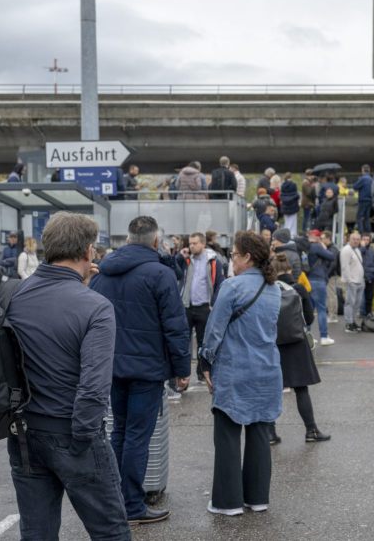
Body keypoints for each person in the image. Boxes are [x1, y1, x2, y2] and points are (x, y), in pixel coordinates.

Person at [6, 212, 131, 540]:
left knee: (37, 532)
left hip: (24, 431)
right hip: (72, 432)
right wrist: (83, 438)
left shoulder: (15, 294)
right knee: (110, 532)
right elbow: (93, 387)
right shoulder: (96, 307)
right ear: (88, 251)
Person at [90, 216, 191, 524]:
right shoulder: (160, 274)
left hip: (113, 366)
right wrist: (182, 369)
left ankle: (116, 501)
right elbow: (175, 326)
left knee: (119, 431)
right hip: (147, 369)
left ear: (128, 239)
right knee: (137, 436)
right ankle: (133, 505)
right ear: (156, 241)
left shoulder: (103, 273)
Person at [199, 231, 283, 517]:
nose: (232, 260)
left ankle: (228, 502)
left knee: (227, 435)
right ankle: (257, 498)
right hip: (267, 369)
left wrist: (205, 363)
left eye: (234, 255)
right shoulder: (274, 288)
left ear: (247, 257)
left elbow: (214, 331)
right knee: (259, 434)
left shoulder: (232, 287)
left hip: (234, 369)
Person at [268, 254, 330, 445]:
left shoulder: (267, 290)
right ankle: (311, 430)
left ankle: (270, 434)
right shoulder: (299, 289)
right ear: (289, 269)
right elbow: (309, 318)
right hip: (297, 343)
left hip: (273, 344)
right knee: (301, 389)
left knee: (272, 389)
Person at [179, 232, 226, 384]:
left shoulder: (213, 260)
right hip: (187, 306)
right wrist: (179, 256)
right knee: (183, 341)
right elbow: (176, 273)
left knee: (203, 342)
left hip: (205, 307)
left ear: (203, 244)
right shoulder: (186, 259)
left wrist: (214, 304)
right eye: (190, 243)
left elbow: (219, 283)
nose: (191, 246)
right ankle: (183, 374)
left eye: (195, 243)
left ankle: (201, 373)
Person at [307, 230, 337, 345]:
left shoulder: (305, 247)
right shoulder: (316, 246)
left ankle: (308, 336)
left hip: (308, 280)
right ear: (317, 237)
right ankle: (324, 337)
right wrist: (323, 246)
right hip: (318, 280)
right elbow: (331, 256)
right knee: (321, 309)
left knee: (309, 309)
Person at [339, 232, 365, 333]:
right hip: (352, 281)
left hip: (360, 281)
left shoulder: (357, 250)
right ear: (349, 239)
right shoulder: (346, 250)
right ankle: (348, 324)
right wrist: (349, 280)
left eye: (358, 239)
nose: (356, 241)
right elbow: (344, 267)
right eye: (354, 239)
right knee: (350, 303)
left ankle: (353, 321)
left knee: (357, 303)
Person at [360, 233, 374, 319]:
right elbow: (361, 253)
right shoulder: (359, 249)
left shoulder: (372, 250)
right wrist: (363, 247)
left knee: (370, 296)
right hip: (362, 276)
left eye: (367, 239)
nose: (366, 241)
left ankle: (369, 312)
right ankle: (362, 312)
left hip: (371, 276)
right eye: (364, 239)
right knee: (361, 297)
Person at [352, 165, 374, 234]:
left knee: (359, 217)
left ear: (362, 170)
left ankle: (361, 232)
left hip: (363, 200)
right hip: (370, 200)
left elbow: (355, 187)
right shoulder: (371, 179)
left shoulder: (362, 178)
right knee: (367, 217)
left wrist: (358, 180)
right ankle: (368, 232)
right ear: (369, 170)